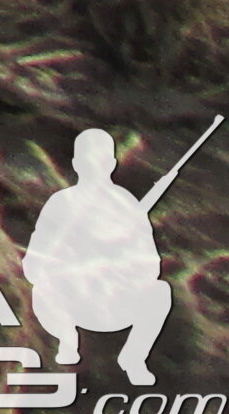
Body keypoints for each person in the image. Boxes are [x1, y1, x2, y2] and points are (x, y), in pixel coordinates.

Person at [24, 128, 173, 386]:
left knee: (160, 293)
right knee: (42, 291)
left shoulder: (126, 205)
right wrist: (72, 268)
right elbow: (34, 264)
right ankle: (67, 345)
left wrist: (118, 264)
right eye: (87, 161)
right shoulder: (61, 204)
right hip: (73, 301)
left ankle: (134, 357)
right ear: (76, 164)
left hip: (116, 300)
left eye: (101, 161)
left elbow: (150, 265)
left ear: (112, 164)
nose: (94, 167)